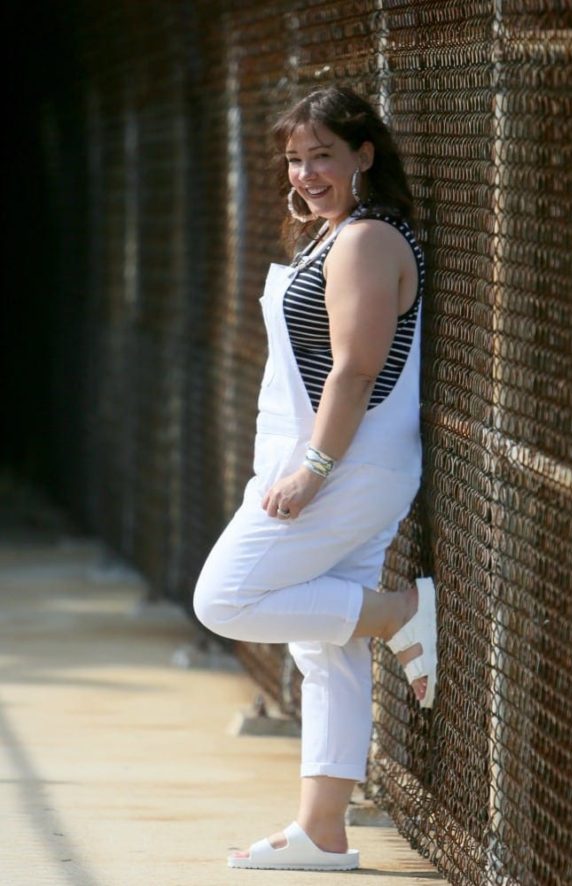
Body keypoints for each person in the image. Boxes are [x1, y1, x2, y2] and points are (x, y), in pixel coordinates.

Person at [193, 84, 437, 872]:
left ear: (365, 155)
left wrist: (313, 472)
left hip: (346, 468)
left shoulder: (366, 241)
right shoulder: (336, 237)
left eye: (322, 155)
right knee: (323, 647)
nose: (304, 173)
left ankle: (400, 612)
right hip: (337, 465)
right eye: (295, 160)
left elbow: (357, 370)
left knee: (225, 598)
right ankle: (322, 831)